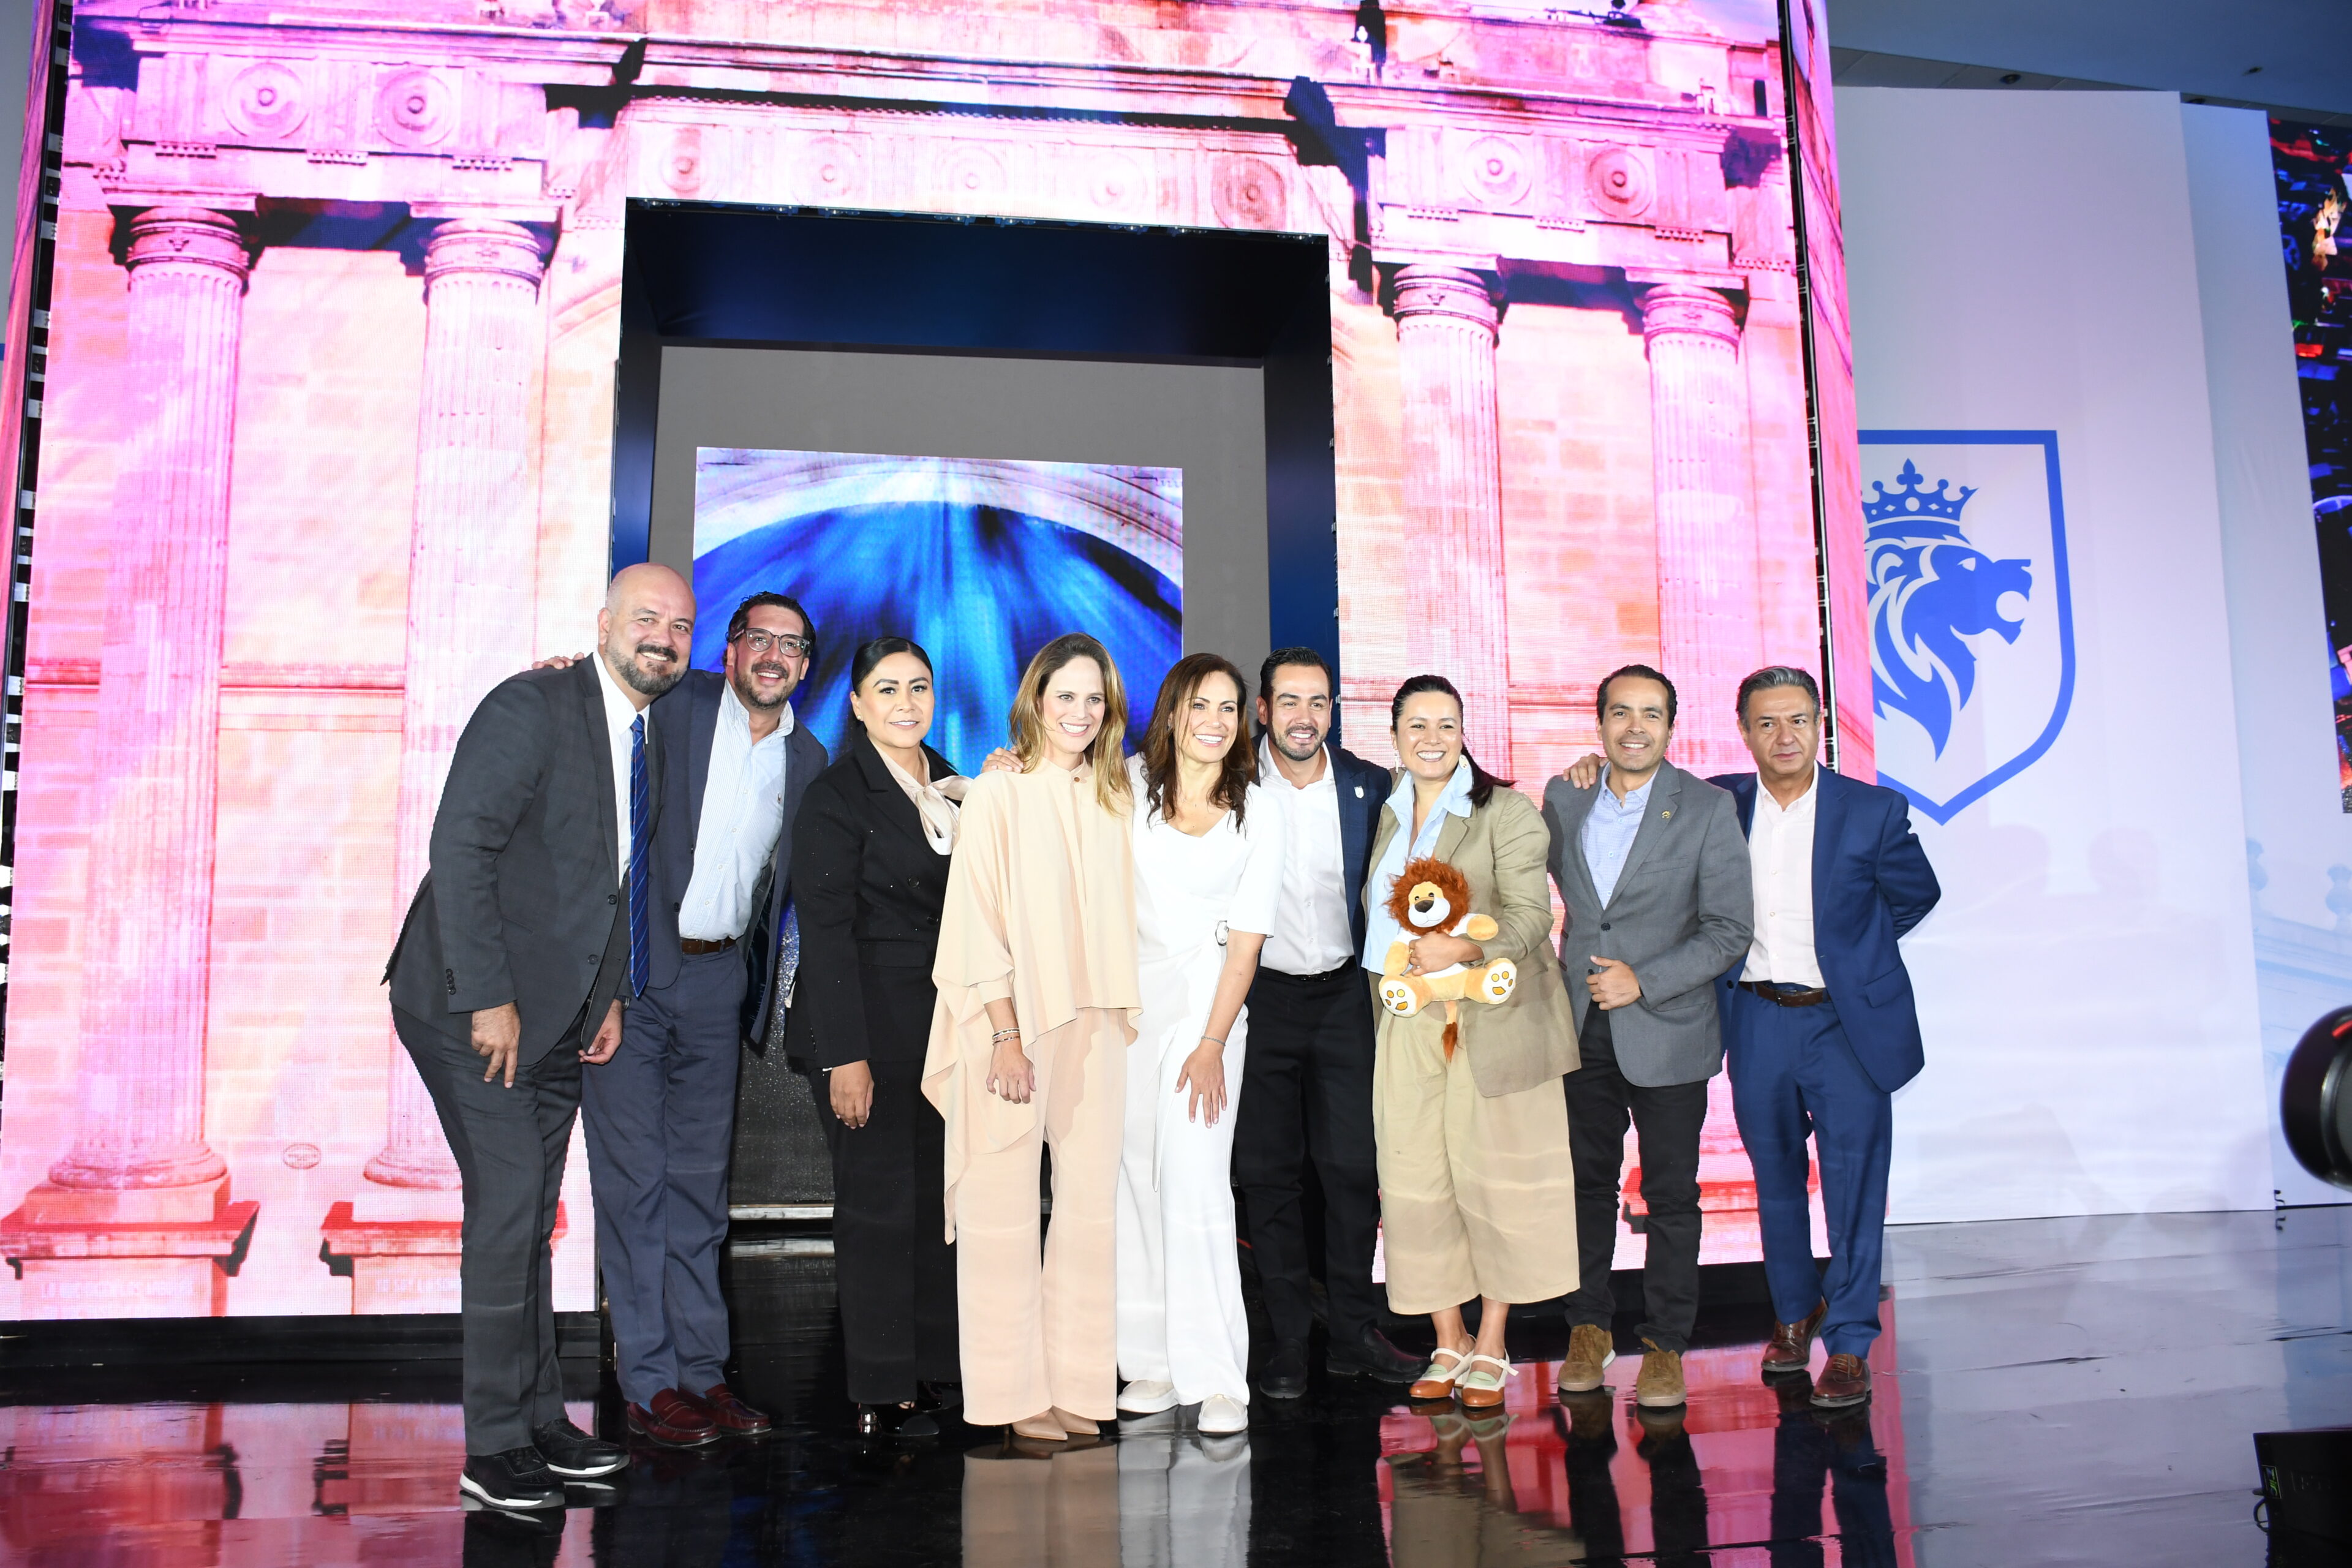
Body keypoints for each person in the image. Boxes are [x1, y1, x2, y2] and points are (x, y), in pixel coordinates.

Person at [383, 562, 694, 1510]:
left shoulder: (643, 739)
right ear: (604, 624)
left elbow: (615, 886)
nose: (664, 637)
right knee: (510, 1208)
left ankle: (541, 1423)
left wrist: (609, 998)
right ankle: (492, 1450)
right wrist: (488, 999)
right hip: (470, 1010)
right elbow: (461, 846)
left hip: (561, 1018)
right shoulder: (531, 705)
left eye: (681, 627)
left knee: (531, 1219)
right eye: (647, 618)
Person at [577, 590, 826, 1449]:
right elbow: (594, 723)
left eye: (791, 645)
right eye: (759, 638)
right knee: (636, 1185)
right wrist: (604, 986)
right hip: (638, 976)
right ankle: (649, 1381)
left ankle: (703, 1372)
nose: (773, 654)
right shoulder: (672, 707)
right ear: (730, 650)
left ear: (804, 666)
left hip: (720, 986)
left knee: (700, 1190)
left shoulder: (808, 758)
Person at [922, 633, 1140, 1442]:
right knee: (1001, 1210)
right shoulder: (999, 795)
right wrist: (1005, 1034)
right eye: (1065, 696)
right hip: (1010, 1024)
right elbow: (974, 922)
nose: (1080, 713)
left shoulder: (1121, 797)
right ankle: (1010, 1397)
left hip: (1100, 1022)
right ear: (1036, 701)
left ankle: (1080, 1385)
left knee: (1089, 1212)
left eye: (1095, 699)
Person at [1709, 666, 1939, 1409]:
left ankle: (1849, 1339)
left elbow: (1915, 895)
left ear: (1820, 726)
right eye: (1768, 723)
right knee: (1774, 1177)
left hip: (1845, 1022)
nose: (1785, 736)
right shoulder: (1717, 805)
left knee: (1854, 1181)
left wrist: (1853, 956)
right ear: (1745, 732)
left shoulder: (1872, 810)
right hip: (1756, 1016)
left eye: (1799, 720)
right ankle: (1793, 1312)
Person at [1365, 675, 1579, 1412]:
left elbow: (1530, 916)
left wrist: (1462, 949)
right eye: (1417, 724)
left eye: (1446, 724)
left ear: (1464, 730)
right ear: (1394, 734)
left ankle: (1491, 1342)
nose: (1432, 738)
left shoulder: (1506, 811)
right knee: (1416, 1182)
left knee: (1493, 1181)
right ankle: (1447, 1339)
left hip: (1489, 1017)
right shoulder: (1387, 809)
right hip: (1405, 1020)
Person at [1540, 665, 1752, 1411]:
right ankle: (1587, 1329)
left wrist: (1646, 980)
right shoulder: (1565, 796)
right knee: (1584, 1187)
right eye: (1621, 713)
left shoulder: (1708, 808)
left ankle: (1665, 1345)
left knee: (1669, 1195)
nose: (1635, 727)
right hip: (1580, 1028)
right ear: (1600, 722)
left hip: (1668, 1028)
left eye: (1651, 714)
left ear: (1671, 725)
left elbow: (1728, 928)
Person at [788, 636, 967, 1439]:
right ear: (857, 704)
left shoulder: (954, 783)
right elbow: (825, 936)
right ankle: (881, 1386)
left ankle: (934, 1367)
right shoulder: (836, 796)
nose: (905, 702)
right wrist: (845, 1057)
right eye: (887, 688)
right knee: (878, 1207)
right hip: (864, 1026)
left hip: (941, 1028)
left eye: (918, 686)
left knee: (936, 1205)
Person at [1235, 648, 1423, 1397]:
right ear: (1263, 710)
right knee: (1268, 1175)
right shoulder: (1228, 782)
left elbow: (1448, 795)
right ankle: (1287, 1338)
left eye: (1318, 702)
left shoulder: (1369, 786)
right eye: (1289, 701)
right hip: (1258, 1000)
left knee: (1353, 1171)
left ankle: (1352, 1331)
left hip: (1345, 999)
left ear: (1333, 710)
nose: (1304, 717)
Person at [1114, 654, 1286, 1438]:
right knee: (1136, 1181)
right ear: (1172, 713)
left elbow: (1248, 942)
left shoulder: (1259, 809)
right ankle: (1150, 1360)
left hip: (1209, 1012)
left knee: (1195, 1182)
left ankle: (1218, 1375)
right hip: (1129, 1009)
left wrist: (1214, 1040)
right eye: (1200, 705)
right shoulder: (1126, 787)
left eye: (1228, 707)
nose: (1214, 721)